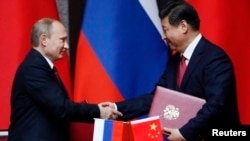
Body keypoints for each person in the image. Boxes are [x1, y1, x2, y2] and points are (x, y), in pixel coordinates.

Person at [104, 0, 241, 141]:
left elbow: (216, 105)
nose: (163, 36)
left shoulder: (215, 59)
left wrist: (184, 133)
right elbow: (155, 98)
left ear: (183, 27)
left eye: (165, 29)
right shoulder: (175, 61)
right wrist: (115, 108)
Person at [8, 18, 122, 141]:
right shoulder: (34, 68)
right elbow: (61, 108)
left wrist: (98, 112)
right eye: (62, 40)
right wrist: (98, 111)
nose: (66, 46)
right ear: (44, 40)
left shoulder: (40, 66)